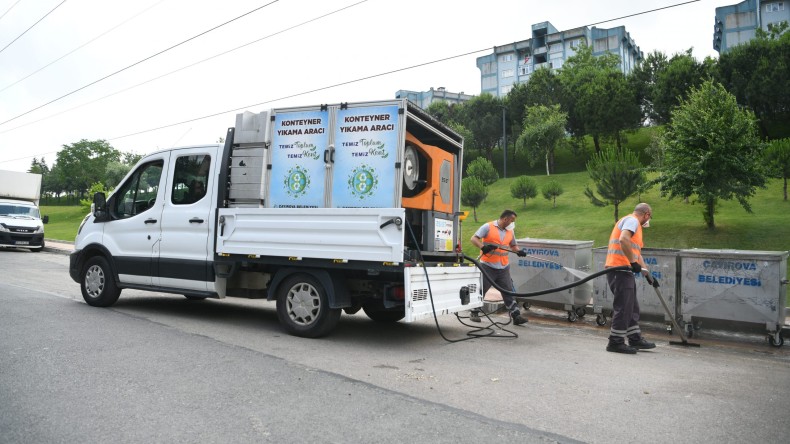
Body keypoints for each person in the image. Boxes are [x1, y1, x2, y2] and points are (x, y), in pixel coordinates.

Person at [604, 203, 658, 354]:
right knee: (624, 306)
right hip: (619, 269)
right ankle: (615, 342)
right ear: (646, 214)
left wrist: (648, 275)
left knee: (632, 307)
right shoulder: (632, 221)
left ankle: (635, 338)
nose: (648, 221)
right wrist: (633, 263)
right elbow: (623, 240)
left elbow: (636, 254)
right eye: (649, 217)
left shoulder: (636, 227)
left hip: (624, 270)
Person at [469, 209, 529, 325]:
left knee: (508, 291)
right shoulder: (488, 227)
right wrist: (482, 247)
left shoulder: (510, 231)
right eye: (512, 220)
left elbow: (513, 245)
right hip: (488, 266)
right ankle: (474, 312)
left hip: (503, 267)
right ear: (505, 219)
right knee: (482, 289)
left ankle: (516, 316)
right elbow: (473, 238)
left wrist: (519, 251)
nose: (513, 223)